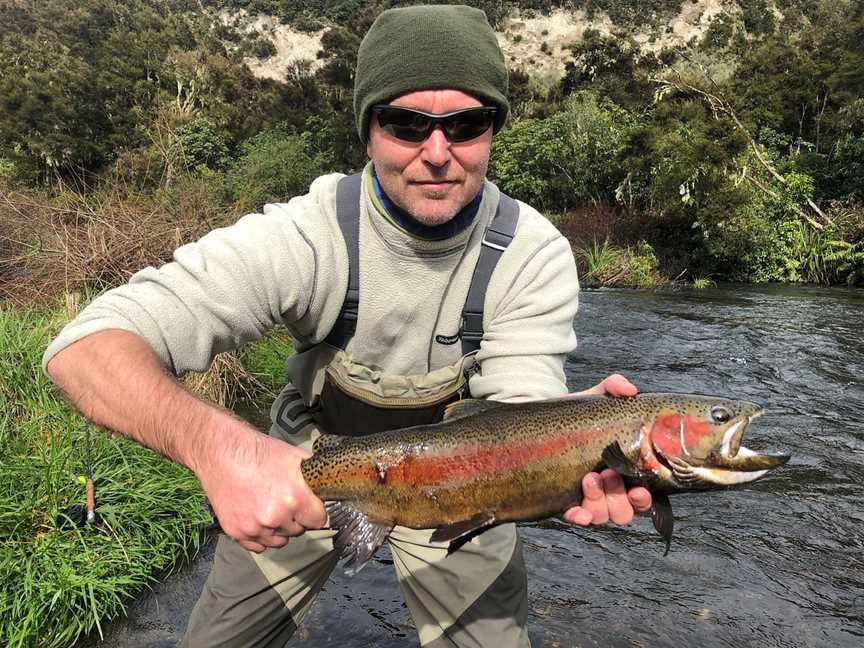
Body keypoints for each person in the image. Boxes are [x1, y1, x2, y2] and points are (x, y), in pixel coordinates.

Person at [44, 5, 651, 647]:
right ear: (369, 131)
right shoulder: (306, 234)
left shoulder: (531, 253)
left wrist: (577, 438)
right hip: (306, 463)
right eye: (407, 123)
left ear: (493, 131)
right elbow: (85, 347)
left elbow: (520, 408)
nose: (437, 153)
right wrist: (224, 450)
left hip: (464, 481)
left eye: (465, 124)